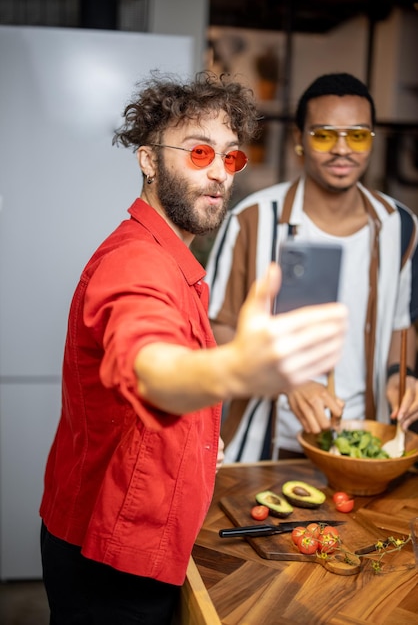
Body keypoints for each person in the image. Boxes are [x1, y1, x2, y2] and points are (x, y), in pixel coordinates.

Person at [39, 71, 348, 625]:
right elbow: (152, 365)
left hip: (116, 538)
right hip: (108, 561)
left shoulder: (172, 260)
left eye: (231, 158)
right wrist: (234, 370)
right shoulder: (135, 264)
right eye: (199, 151)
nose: (218, 174)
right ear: (149, 160)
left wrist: (199, 440)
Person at [206, 72, 418, 463]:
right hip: (264, 445)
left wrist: (397, 376)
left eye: (357, 135)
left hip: (361, 447)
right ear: (298, 139)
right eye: (324, 135)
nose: (343, 149)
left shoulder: (400, 225)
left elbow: (400, 327)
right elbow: (216, 329)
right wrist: (285, 378)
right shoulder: (253, 219)